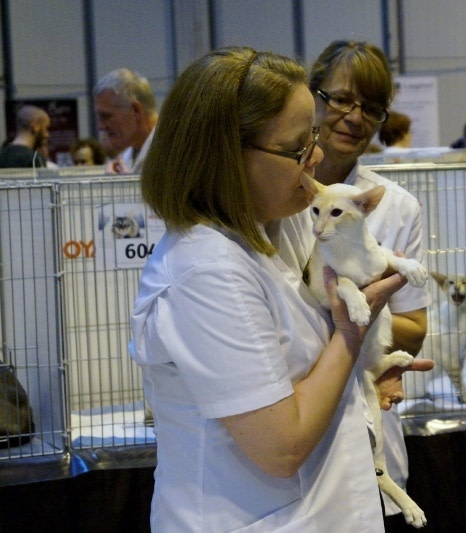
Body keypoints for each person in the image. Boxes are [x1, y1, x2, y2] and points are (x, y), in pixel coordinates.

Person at [129, 46, 431, 532]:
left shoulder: (280, 224)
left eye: (313, 136)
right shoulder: (205, 271)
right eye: (298, 148)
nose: (317, 157)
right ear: (228, 158)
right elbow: (281, 447)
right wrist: (353, 333)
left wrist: (366, 369)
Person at [307, 40, 432, 531]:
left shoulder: (395, 206)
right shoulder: (275, 198)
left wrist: (359, 325)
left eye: (372, 108)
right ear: (312, 97)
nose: (354, 118)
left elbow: (414, 327)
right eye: (341, 99)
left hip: (368, 422)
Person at [93, 68, 158, 173]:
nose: (100, 126)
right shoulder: (125, 157)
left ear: (136, 110)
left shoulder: (173, 151)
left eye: (106, 116)